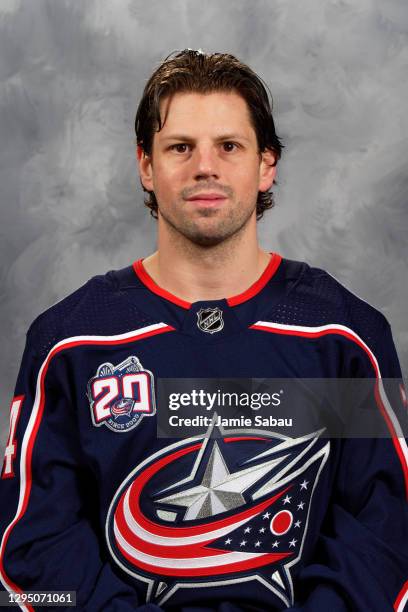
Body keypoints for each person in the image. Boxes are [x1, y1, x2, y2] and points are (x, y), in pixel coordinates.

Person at [0, 49, 407, 612]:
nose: (205, 167)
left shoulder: (341, 336)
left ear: (267, 164)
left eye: (229, 146)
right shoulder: (72, 341)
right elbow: (32, 552)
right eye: (180, 147)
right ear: (146, 165)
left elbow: (386, 532)